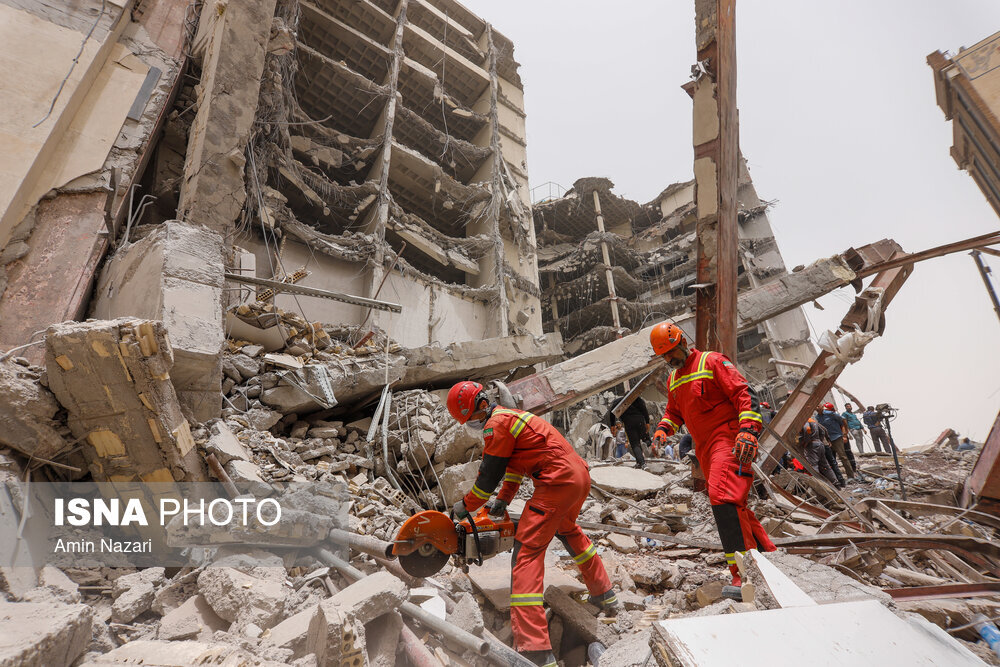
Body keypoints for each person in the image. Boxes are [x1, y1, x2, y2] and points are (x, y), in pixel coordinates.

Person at [447, 381, 617, 666]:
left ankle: (536, 649)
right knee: (568, 531)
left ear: (476, 409)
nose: (472, 425)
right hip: (578, 476)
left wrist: (464, 507)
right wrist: (503, 500)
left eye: (468, 420)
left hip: (557, 481)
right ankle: (605, 595)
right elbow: (514, 467)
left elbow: (488, 476)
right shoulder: (512, 418)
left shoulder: (496, 425)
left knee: (526, 552)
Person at [647, 322, 776, 596]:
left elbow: (744, 394)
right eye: (665, 356)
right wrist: (662, 428)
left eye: (672, 351)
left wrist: (748, 432)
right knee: (734, 502)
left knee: (723, 496)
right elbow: (674, 412)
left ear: (683, 341)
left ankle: (744, 575)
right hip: (704, 446)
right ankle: (768, 556)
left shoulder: (711, 361)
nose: (670, 359)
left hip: (728, 438)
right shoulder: (674, 379)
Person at [816, 403, 857, 480]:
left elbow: (843, 420)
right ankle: (838, 477)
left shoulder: (830, 414)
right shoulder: (817, 417)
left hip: (837, 437)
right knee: (832, 459)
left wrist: (845, 434)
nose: (817, 407)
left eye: (818, 406)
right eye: (816, 407)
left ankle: (850, 476)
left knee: (843, 457)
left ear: (822, 407)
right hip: (828, 440)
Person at [799, 416, 840, 487]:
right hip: (819, 444)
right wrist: (820, 440)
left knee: (813, 465)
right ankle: (835, 482)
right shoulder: (813, 420)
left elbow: (807, 429)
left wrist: (806, 441)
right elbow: (823, 431)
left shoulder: (804, 420)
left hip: (812, 445)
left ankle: (820, 485)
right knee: (825, 465)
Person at [613, 396, 651, 470]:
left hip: (629, 423)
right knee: (646, 439)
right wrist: (647, 422)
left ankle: (643, 464)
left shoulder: (620, 402)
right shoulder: (638, 400)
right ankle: (645, 445)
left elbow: (613, 412)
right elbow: (644, 410)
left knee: (635, 444)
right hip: (640, 421)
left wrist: (612, 424)